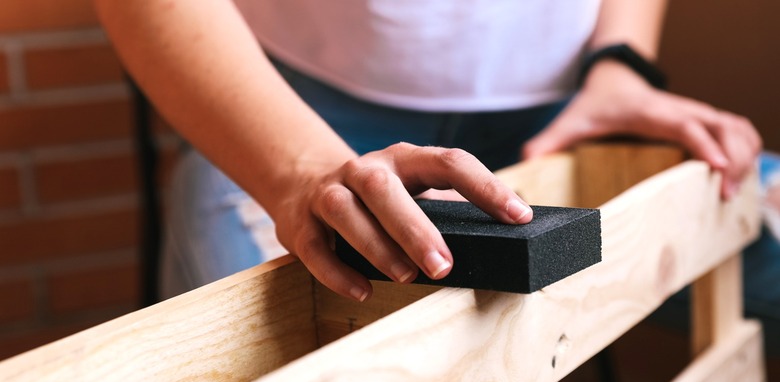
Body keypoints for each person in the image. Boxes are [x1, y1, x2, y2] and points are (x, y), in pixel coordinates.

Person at [93, 0, 763, 302]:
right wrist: (298, 168)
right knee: (242, 346)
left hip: (570, 105)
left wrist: (621, 66)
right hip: (295, 112)